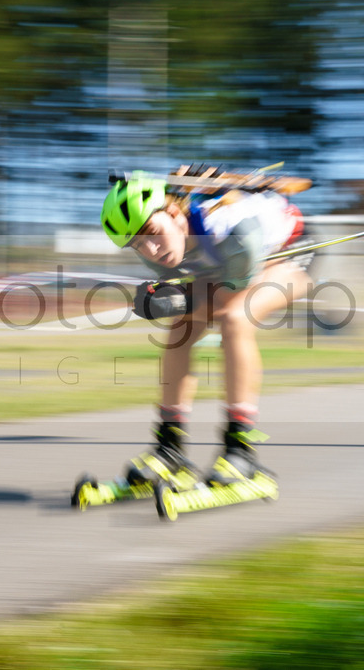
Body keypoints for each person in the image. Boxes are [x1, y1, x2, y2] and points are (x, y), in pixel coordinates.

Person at [100, 165, 316, 487]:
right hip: (227, 264)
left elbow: (223, 302)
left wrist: (174, 301)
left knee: (235, 318)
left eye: (152, 233)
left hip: (289, 254)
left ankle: (240, 450)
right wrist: (173, 299)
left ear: (174, 212)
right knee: (180, 329)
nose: (150, 250)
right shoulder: (161, 242)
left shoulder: (231, 228)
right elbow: (190, 288)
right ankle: (170, 448)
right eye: (136, 244)